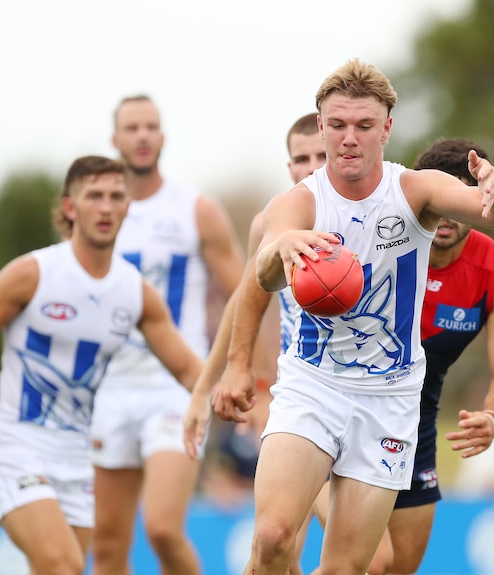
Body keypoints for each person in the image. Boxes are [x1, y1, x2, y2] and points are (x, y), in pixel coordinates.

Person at [185, 58, 494, 575]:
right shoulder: (299, 202)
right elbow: (261, 272)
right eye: (338, 125)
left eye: (364, 126)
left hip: (389, 400)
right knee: (274, 536)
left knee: (352, 567)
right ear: (322, 126)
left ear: (386, 129)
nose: (350, 138)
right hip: (312, 386)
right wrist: (283, 250)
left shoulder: (415, 190)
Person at [0, 156, 203, 575]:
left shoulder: (135, 291)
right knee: (62, 566)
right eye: (94, 196)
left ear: (127, 208)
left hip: (76, 454)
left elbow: (188, 369)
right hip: (16, 444)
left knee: (69, 569)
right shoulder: (33, 273)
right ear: (69, 207)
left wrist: (231, 394)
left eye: (116, 197)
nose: (106, 207)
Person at [307, 137, 494, 575]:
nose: (446, 213)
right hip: (338, 413)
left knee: (396, 569)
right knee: (370, 563)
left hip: (414, 425)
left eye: (461, 194)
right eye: (440, 195)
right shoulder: (376, 240)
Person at [90, 95, 245, 575]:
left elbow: (244, 296)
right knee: (108, 543)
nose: (141, 135)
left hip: (175, 387)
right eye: (131, 127)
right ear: (115, 140)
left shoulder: (195, 210)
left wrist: (249, 371)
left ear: (163, 137)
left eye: (150, 126)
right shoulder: (98, 215)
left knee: (161, 527)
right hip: (108, 388)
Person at [189, 112, 326, 575]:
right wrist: (213, 385)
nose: (310, 166)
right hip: (301, 401)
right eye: (300, 158)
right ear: (288, 166)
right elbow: (243, 308)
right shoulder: (269, 224)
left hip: (365, 400)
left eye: (321, 156)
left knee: (377, 558)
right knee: (277, 546)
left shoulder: (375, 218)